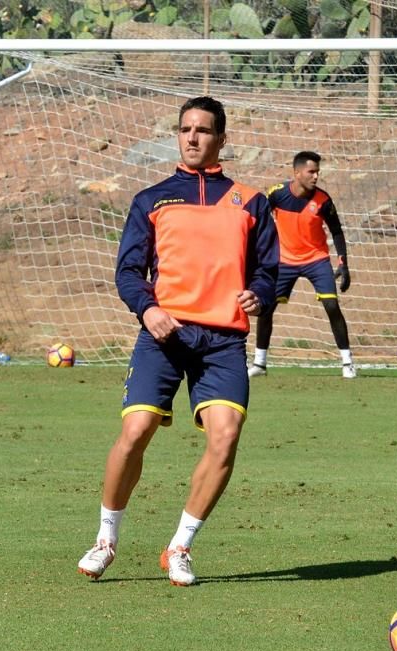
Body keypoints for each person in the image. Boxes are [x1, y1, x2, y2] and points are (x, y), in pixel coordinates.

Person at [77, 96, 279, 586]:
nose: (192, 137)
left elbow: (269, 271)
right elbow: (128, 272)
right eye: (185, 129)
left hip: (223, 341)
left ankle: (180, 546)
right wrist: (149, 310)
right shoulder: (152, 199)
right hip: (163, 335)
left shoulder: (250, 202)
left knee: (225, 438)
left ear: (221, 139)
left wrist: (258, 294)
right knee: (136, 432)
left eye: (203, 130)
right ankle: (106, 539)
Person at [248, 151, 356, 379]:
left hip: (316, 259)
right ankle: (260, 363)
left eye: (317, 172)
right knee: (266, 308)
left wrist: (343, 263)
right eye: (311, 172)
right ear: (296, 173)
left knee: (332, 306)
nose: (316, 176)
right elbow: (259, 221)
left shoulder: (323, 201)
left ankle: (347, 363)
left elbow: (336, 231)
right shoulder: (276, 194)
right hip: (284, 261)